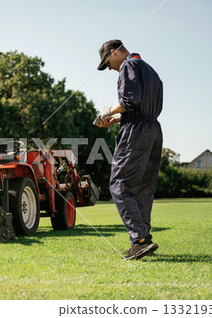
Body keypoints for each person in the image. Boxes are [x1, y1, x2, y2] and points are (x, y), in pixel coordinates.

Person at [94, 39, 163, 260]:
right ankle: (144, 239)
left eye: (107, 63)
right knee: (143, 187)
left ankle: (140, 239)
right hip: (152, 129)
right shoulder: (150, 69)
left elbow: (129, 99)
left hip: (135, 130)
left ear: (114, 53)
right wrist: (117, 118)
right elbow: (140, 104)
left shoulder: (128, 66)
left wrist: (106, 112)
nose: (110, 69)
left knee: (119, 184)